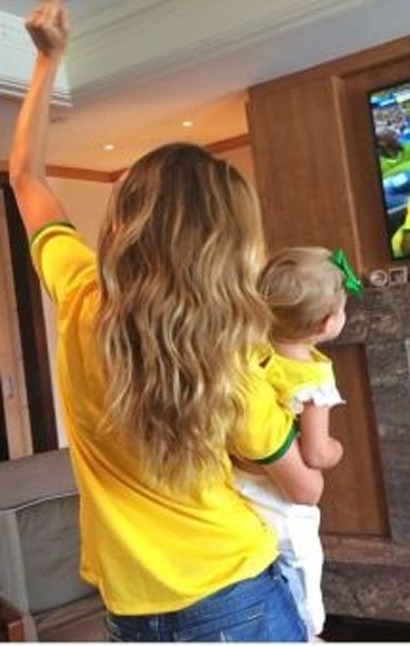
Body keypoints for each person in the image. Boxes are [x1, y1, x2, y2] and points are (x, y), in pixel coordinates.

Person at [10, 1, 320, 641]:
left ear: (127, 222)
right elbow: (304, 488)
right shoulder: (231, 359)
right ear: (230, 246)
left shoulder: (80, 295)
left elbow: (24, 179)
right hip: (236, 594)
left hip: (129, 609)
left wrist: (47, 61)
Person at [232, 246, 360, 641]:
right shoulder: (314, 377)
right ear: (326, 323)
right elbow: (316, 453)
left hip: (236, 484)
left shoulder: (250, 351)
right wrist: (338, 449)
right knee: (301, 565)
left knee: (263, 570)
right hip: (279, 495)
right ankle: (305, 632)